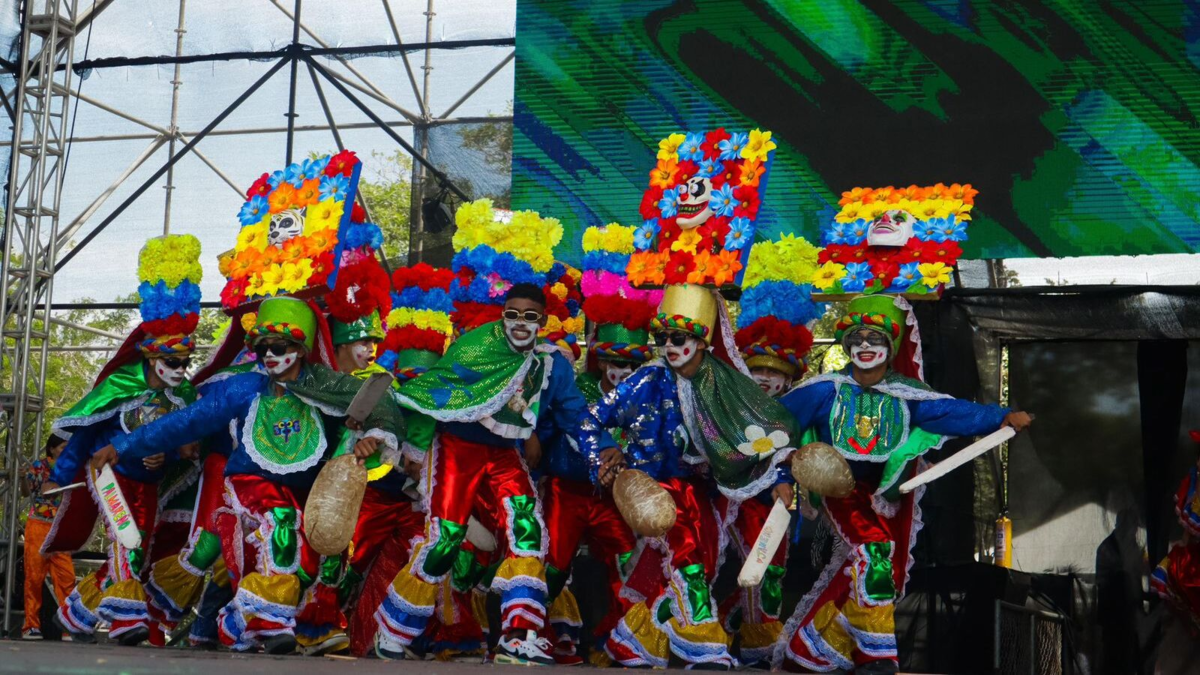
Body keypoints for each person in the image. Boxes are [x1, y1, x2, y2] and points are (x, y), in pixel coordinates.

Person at [91, 296, 407, 654]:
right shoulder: (243, 388)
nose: (270, 355)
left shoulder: (325, 384)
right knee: (279, 523)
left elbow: (380, 404)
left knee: (305, 564)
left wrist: (370, 436)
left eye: (279, 346)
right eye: (263, 347)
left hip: (302, 490)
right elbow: (185, 421)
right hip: (248, 481)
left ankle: (238, 620)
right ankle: (266, 622)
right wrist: (125, 446)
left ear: (301, 348)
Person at [776, 295, 1032, 674]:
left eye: (875, 339)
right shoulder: (824, 390)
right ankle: (877, 654)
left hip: (882, 494)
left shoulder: (906, 395)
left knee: (870, 569)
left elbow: (952, 411)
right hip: (837, 488)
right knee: (874, 552)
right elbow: (777, 426)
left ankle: (812, 649)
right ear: (846, 345)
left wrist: (1001, 416)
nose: (865, 346)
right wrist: (783, 477)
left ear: (890, 348)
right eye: (858, 339)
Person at [379, 283, 617, 665]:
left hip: (504, 454)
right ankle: (393, 629)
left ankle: (519, 635)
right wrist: (416, 447)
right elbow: (434, 394)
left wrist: (603, 445)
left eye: (530, 317)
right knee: (446, 540)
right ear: (503, 314)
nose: (520, 323)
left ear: (542, 321)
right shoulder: (476, 345)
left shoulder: (551, 364)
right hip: (457, 447)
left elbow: (575, 415)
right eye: (512, 314)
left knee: (528, 530)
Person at [580, 283, 801, 670]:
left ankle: (633, 641)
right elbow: (590, 419)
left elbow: (765, 434)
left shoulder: (724, 381)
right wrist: (603, 451)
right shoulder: (647, 379)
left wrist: (782, 474)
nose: (668, 345)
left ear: (701, 341)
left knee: (699, 566)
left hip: (705, 491)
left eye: (677, 337)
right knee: (688, 564)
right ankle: (702, 643)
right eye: (662, 337)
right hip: (655, 489)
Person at [45, 234, 204, 646]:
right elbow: (84, 433)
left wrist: (167, 458)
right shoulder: (122, 383)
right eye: (173, 362)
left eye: (186, 362)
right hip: (109, 475)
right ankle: (125, 621)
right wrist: (58, 475)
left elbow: (184, 449)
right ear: (151, 358)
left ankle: (76, 614)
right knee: (127, 542)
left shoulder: (184, 397)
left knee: (137, 548)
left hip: (148, 485)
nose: (181, 370)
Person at [21, 435, 75, 640]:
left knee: (66, 578)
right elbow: (26, 492)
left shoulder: (72, 466)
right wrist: (23, 479)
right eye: (62, 447)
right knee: (34, 577)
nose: (66, 450)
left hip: (60, 528)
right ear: (51, 449)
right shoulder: (39, 466)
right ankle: (30, 626)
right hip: (38, 525)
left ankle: (69, 626)